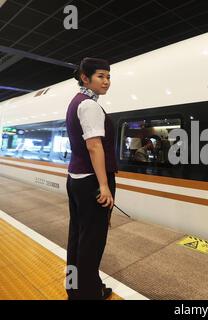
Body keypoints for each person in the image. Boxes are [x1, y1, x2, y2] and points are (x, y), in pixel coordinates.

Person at [65, 57, 117, 300]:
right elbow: (95, 146)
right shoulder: (89, 105)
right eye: (100, 76)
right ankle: (87, 294)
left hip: (76, 178)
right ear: (85, 78)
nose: (106, 81)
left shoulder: (76, 102)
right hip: (92, 182)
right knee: (92, 242)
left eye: (108, 76)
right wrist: (104, 186)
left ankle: (76, 288)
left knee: (78, 235)